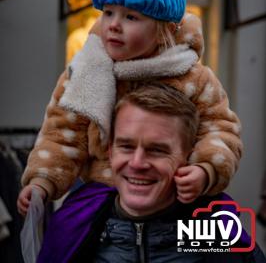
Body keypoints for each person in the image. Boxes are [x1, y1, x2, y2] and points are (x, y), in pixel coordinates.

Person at [18, 0, 242, 215]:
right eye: (108, 13)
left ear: (163, 29)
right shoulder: (84, 72)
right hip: (100, 202)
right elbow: (60, 136)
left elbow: (220, 130)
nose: (113, 25)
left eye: (131, 17)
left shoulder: (193, 77)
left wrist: (205, 171)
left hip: (172, 198)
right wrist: (42, 182)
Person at [36, 83, 264, 263]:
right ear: (110, 152)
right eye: (126, 146)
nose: (137, 163)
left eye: (157, 150)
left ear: (188, 156)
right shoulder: (74, 232)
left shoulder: (215, 238)